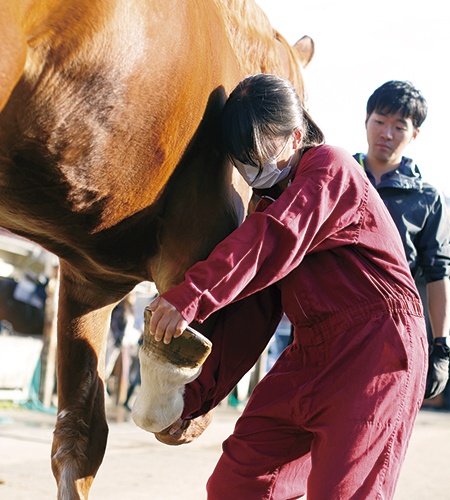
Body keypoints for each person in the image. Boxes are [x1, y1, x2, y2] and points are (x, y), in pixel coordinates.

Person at [149, 74, 428, 499]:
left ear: (296, 136)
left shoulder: (331, 167)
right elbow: (249, 315)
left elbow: (276, 237)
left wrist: (192, 295)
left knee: (343, 493)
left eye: (258, 152)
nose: (249, 166)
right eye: (240, 157)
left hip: (378, 349)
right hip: (311, 350)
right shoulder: (268, 202)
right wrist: (187, 399)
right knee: (236, 484)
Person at [353, 80, 450, 400]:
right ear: (366, 120)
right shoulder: (337, 176)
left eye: (399, 126)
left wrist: (441, 347)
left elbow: (438, 274)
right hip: (324, 320)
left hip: (388, 331)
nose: (386, 133)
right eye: (380, 121)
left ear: (414, 134)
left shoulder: (426, 198)